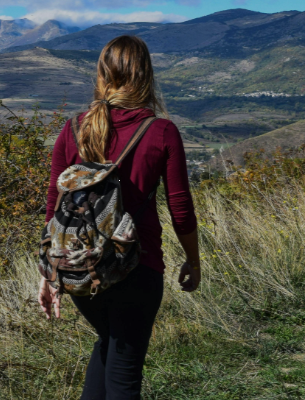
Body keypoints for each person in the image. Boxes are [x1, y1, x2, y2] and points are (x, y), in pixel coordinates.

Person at [38, 35, 201, 400]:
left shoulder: (74, 128)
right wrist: (193, 260)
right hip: (137, 266)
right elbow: (180, 208)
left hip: (81, 267)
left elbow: (54, 205)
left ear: (102, 74)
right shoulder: (161, 131)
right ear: (146, 75)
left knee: (109, 346)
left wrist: (50, 272)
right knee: (124, 377)